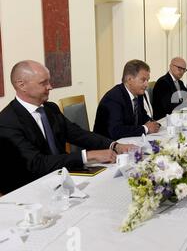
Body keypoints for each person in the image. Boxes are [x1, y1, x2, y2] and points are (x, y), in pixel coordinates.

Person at [0, 60, 135, 194]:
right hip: (30, 190)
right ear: (21, 85)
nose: (50, 87)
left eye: (49, 81)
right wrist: (87, 156)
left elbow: (78, 134)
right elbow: (37, 163)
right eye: (43, 83)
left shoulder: (50, 108)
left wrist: (114, 145)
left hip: (62, 179)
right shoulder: (7, 121)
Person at [93, 59, 160, 140]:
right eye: (143, 80)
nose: (146, 84)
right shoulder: (114, 98)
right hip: (107, 146)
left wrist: (152, 123)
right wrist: (145, 128)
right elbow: (116, 131)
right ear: (129, 79)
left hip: (128, 141)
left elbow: (142, 115)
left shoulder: (138, 94)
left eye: (147, 80)